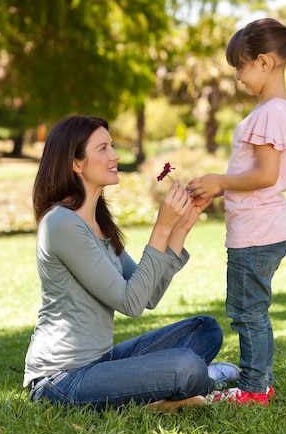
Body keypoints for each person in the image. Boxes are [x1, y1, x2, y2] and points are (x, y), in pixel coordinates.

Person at [24, 115, 239, 411]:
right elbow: (131, 303)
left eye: (112, 146)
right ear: (76, 163)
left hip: (102, 361)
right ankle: (190, 383)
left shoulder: (97, 224)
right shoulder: (61, 224)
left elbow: (148, 295)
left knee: (205, 329)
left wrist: (178, 230)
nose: (115, 155)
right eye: (103, 149)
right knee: (186, 366)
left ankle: (164, 391)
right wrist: (160, 228)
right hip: (61, 379)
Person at [187, 18, 286, 406]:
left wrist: (220, 181)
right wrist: (216, 186)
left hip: (257, 232)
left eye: (240, 67)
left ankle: (252, 390)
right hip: (262, 228)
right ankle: (259, 384)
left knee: (248, 312)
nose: (237, 78)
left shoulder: (269, 113)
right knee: (251, 310)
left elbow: (266, 175)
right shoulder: (273, 110)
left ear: (264, 63)